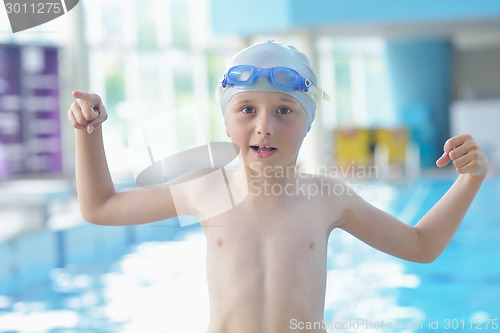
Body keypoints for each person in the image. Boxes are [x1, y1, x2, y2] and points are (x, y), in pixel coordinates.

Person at [68, 41, 489, 333]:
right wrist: (89, 132)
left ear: (307, 124)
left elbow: (420, 246)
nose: (264, 127)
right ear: (227, 120)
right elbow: (100, 207)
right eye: (247, 109)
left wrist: (470, 180)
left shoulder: (328, 198)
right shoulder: (206, 190)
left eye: (285, 110)